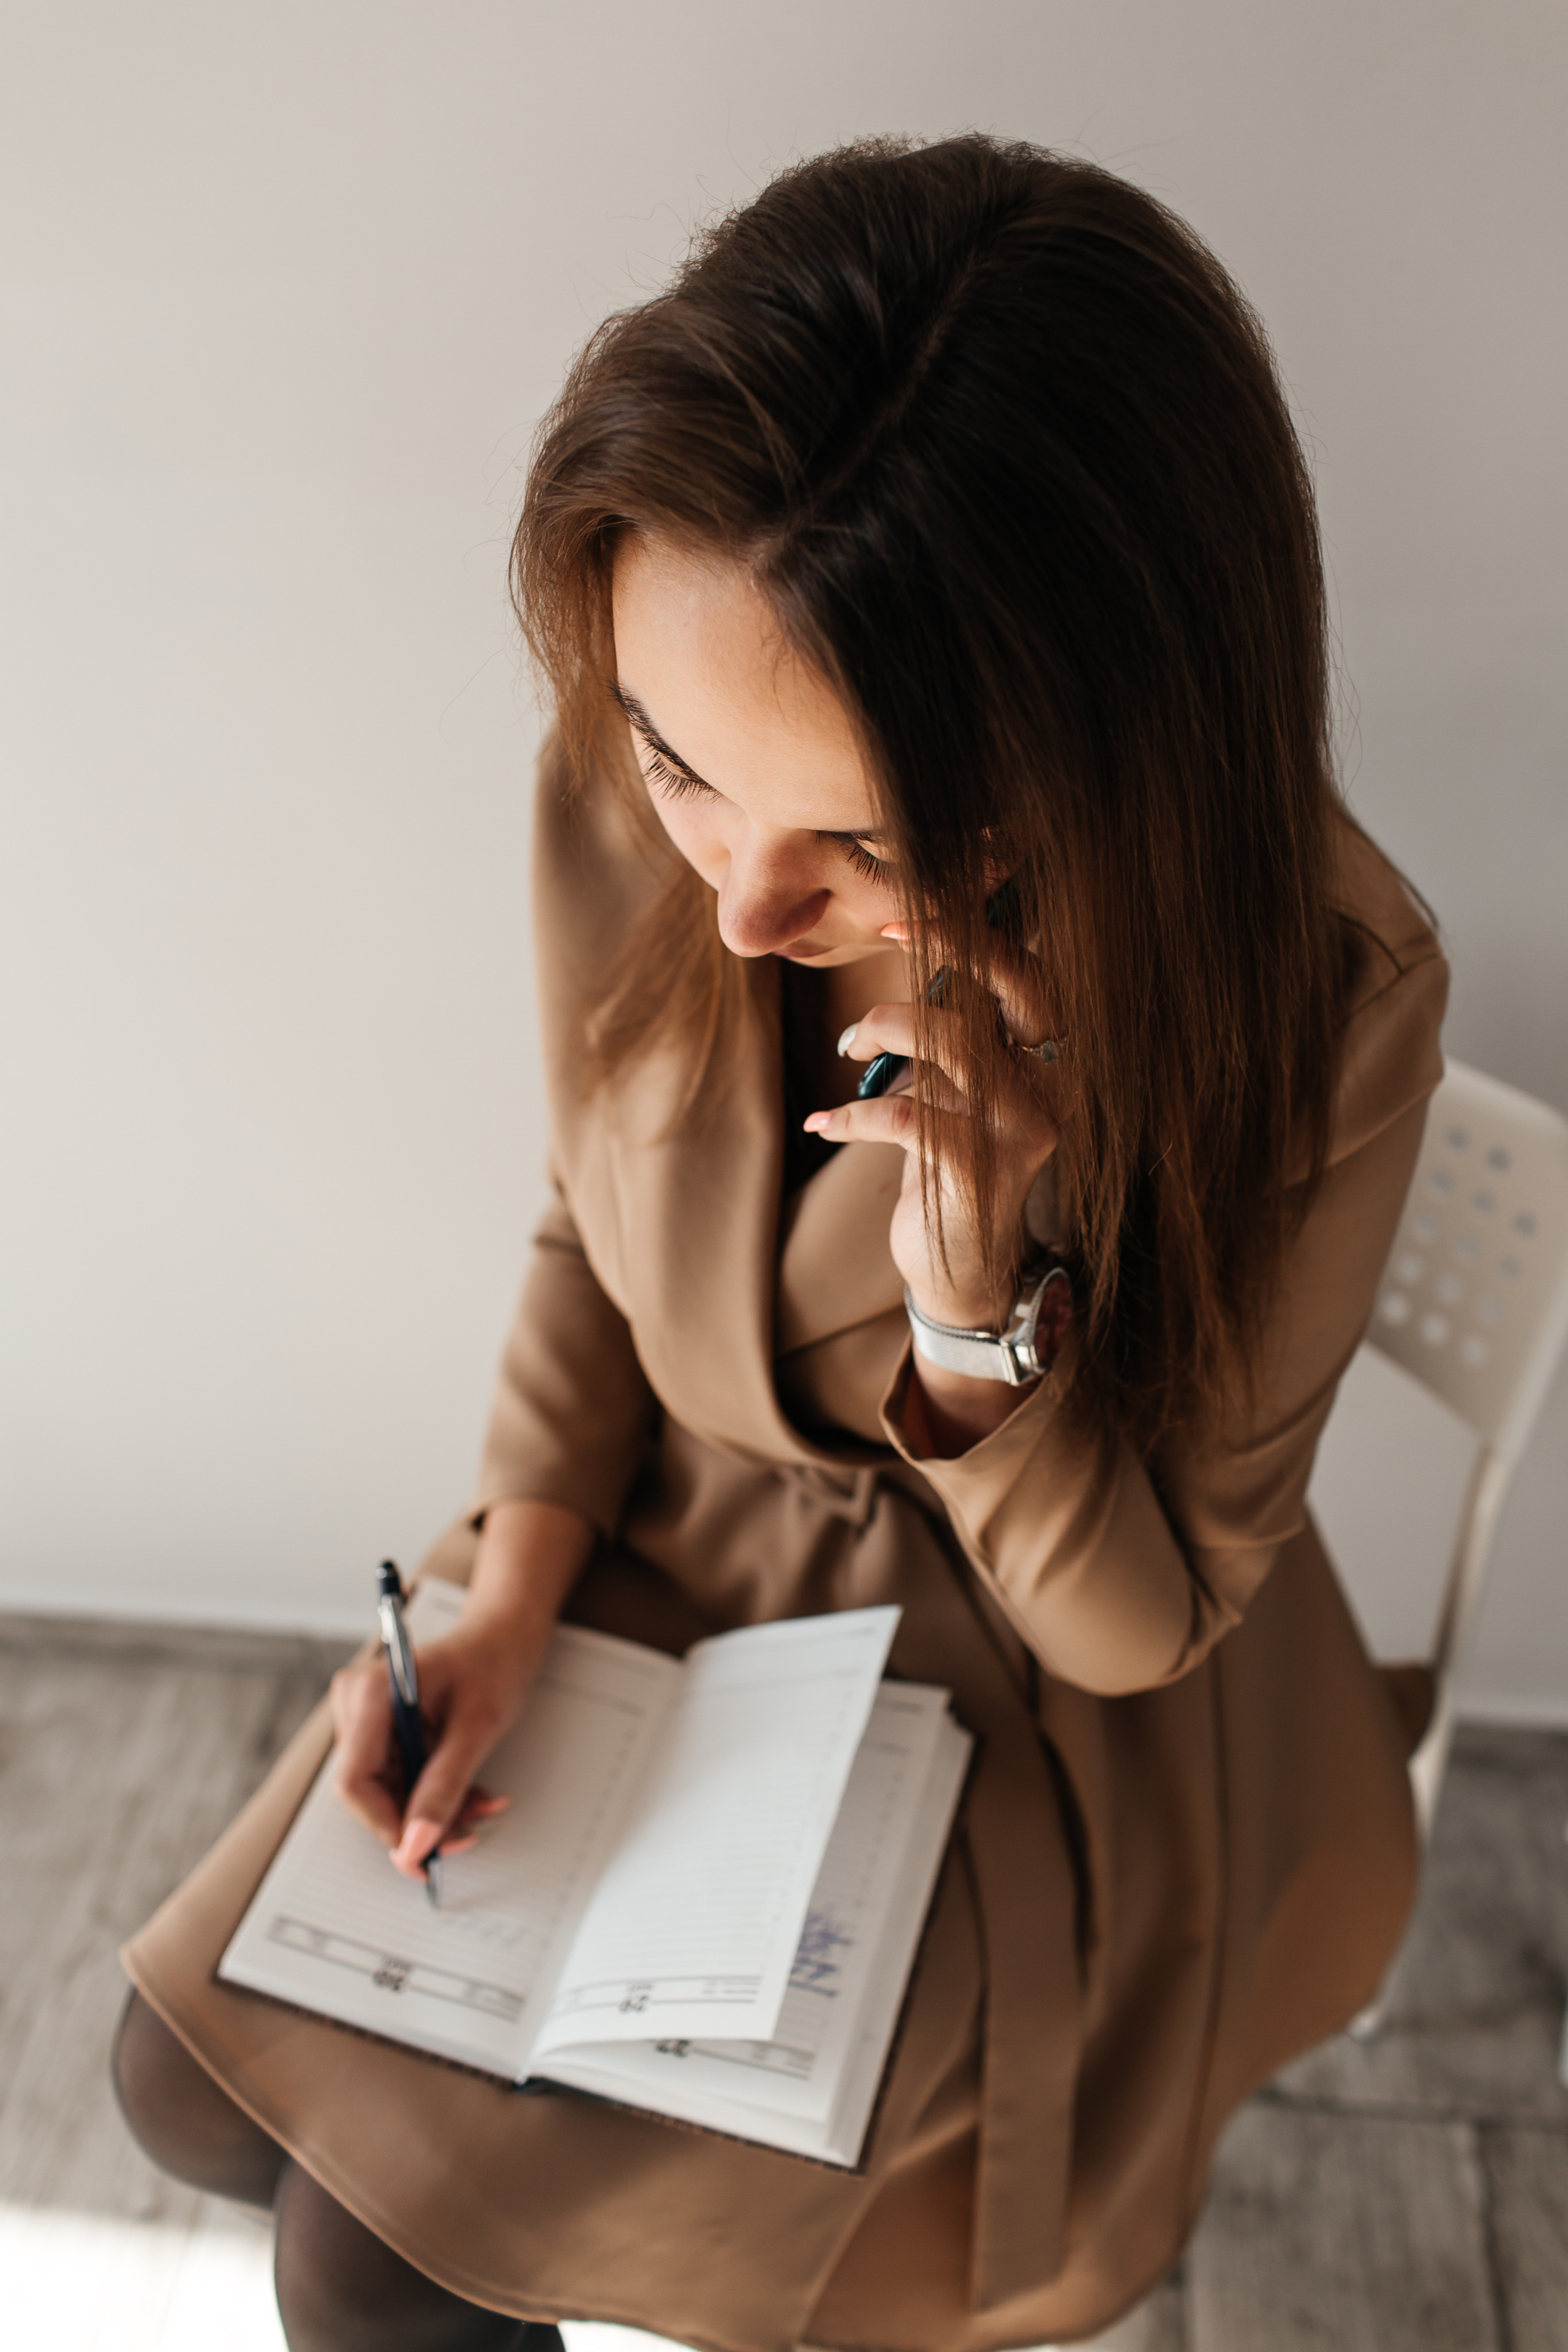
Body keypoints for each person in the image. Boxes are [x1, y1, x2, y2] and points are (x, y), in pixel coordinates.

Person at [115, 134, 1447, 2352]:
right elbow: (601, 1202)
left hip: (1021, 1685)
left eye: (868, 840)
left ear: (1095, 770)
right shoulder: (666, 722)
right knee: (184, 2085)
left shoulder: (1313, 996)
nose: (736, 903)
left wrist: (968, 1317)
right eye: (681, 770)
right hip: (667, 1543)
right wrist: (516, 1574)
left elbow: (1146, 1622)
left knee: (373, 2276)